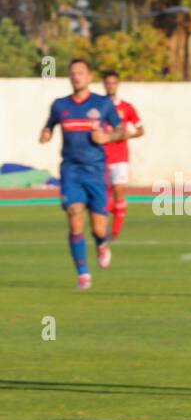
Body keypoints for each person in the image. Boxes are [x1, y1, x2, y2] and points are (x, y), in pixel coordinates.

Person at [39, 58, 124, 289]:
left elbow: (120, 130)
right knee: (75, 216)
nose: (76, 76)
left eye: (81, 73)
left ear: (89, 77)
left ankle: (102, 243)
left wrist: (107, 137)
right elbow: (50, 125)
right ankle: (83, 274)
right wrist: (46, 133)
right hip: (71, 171)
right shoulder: (60, 105)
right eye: (73, 73)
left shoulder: (103, 104)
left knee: (98, 227)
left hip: (96, 171)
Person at [101, 70, 144, 240]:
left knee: (119, 191)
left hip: (120, 157)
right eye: (108, 83)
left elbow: (141, 130)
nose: (111, 86)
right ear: (104, 84)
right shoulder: (99, 106)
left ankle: (115, 231)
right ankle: (106, 223)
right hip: (102, 156)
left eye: (114, 83)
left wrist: (129, 135)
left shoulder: (126, 107)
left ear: (117, 85)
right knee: (104, 195)